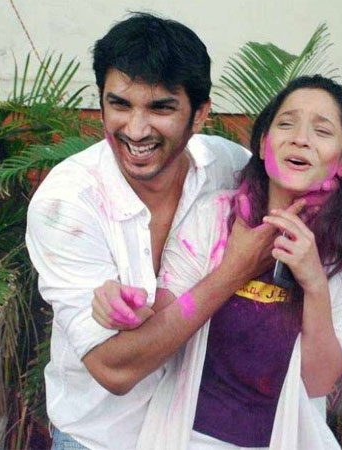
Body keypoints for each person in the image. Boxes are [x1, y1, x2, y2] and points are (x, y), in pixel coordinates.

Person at [26, 12, 297, 450]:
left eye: (161, 108)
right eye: (120, 104)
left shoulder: (230, 170)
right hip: (98, 440)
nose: (136, 130)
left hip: (201, 438)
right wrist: (235, 270)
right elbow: (113, 369)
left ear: (200, 114)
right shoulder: (67, 203)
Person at [95, 75, 342, 449]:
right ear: (264, 145)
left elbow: (318, 382)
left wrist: (314, 282)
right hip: (186, 439)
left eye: (322, 131)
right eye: (287, 124)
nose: (300, 138)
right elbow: (163, 330)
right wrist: (125, 309)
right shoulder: (213, 218)